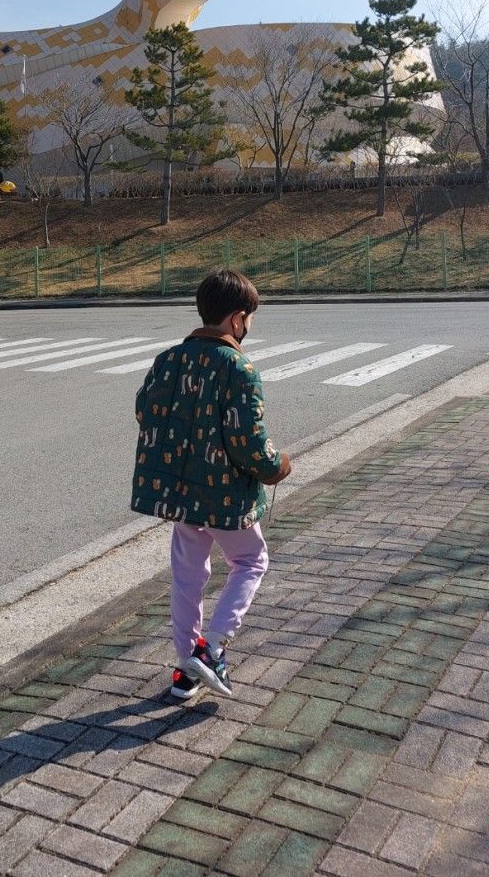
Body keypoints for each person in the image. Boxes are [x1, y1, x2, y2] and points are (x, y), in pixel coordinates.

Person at [131, 269, 291, 700]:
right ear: (237, 319)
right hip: (224, 497)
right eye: (250, 318)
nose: (250, 327)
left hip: (179, 493)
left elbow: (145, 411)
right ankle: (212, 647)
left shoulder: (168, 358)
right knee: (250, 561)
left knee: (187, 576)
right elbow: (247, 441)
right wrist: (276, 467)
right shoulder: (238, 367)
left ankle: (186, 668)